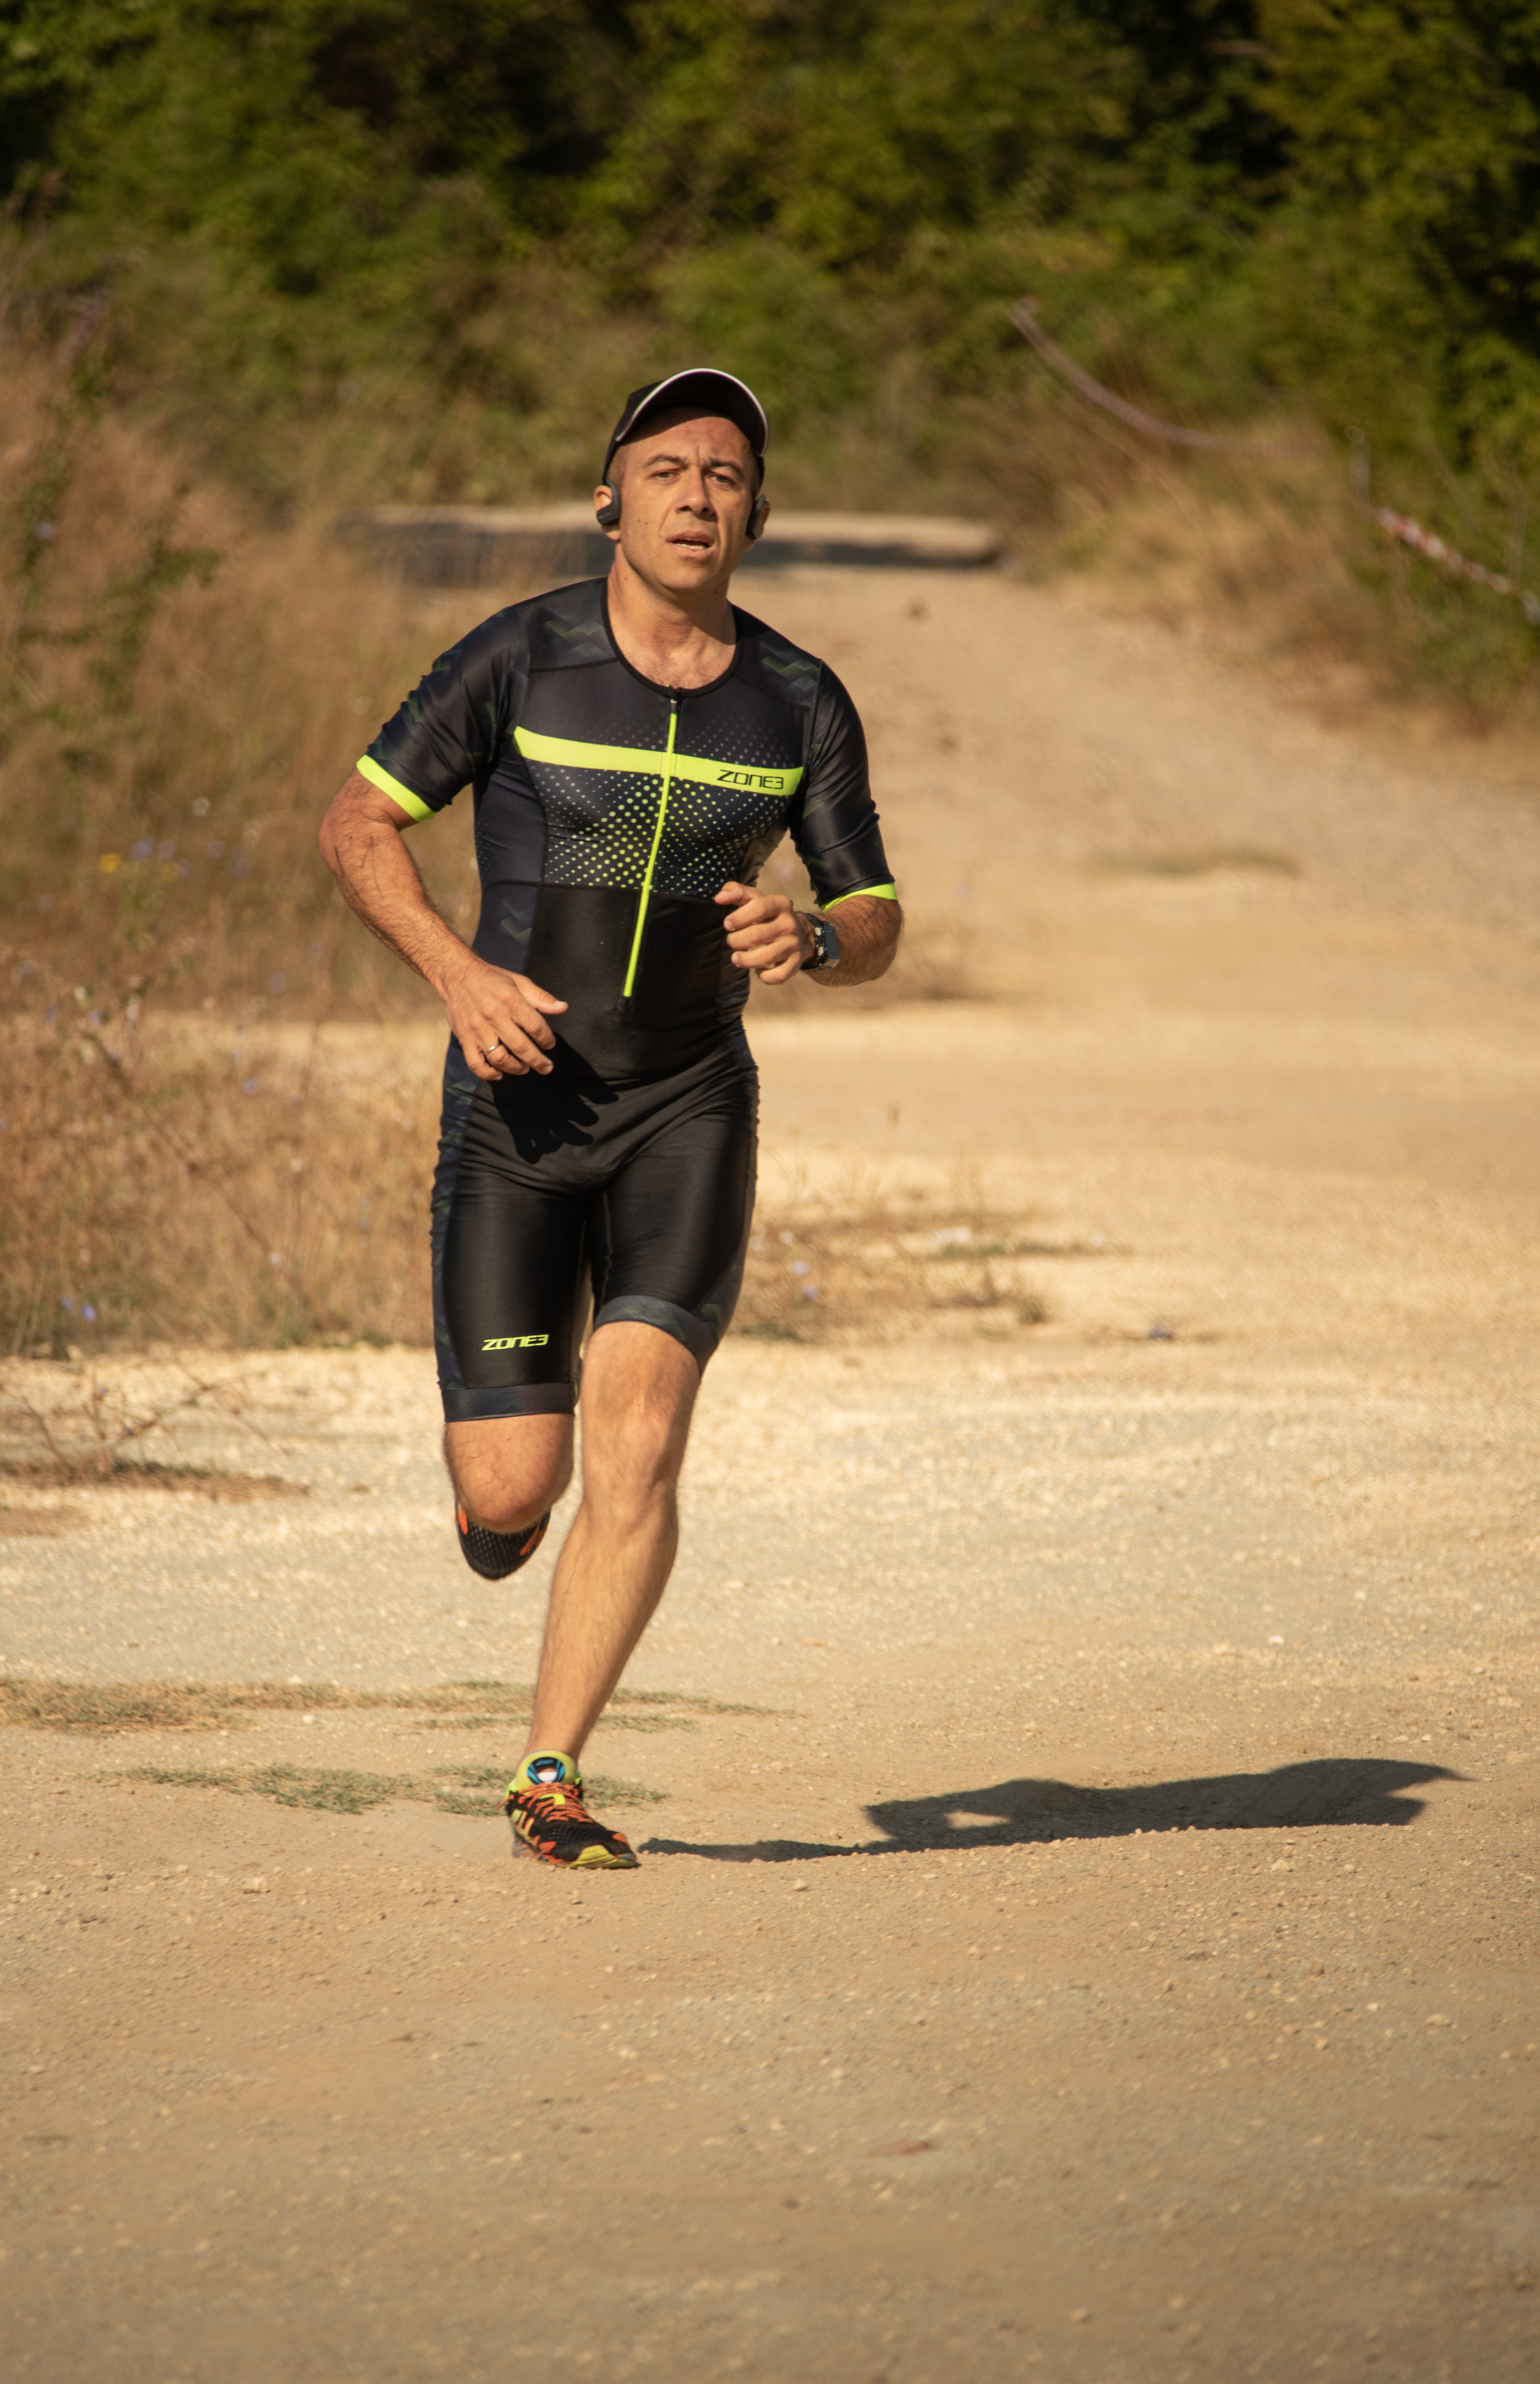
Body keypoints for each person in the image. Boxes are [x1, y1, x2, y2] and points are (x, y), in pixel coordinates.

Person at [319, 368, 901, 1869]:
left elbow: (873, 910)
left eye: (723, 474)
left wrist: (818, 942)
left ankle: (546, 1776)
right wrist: (454, 975)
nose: (695, 494)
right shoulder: (522, 655)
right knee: (515, 1491)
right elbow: (358, 819)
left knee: (637, 1439)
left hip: (686, 1105)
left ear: (752, 515)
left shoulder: (798, 698)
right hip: (513, 1107)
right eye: (665, 469)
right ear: (609, 499)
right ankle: (500, 1515)